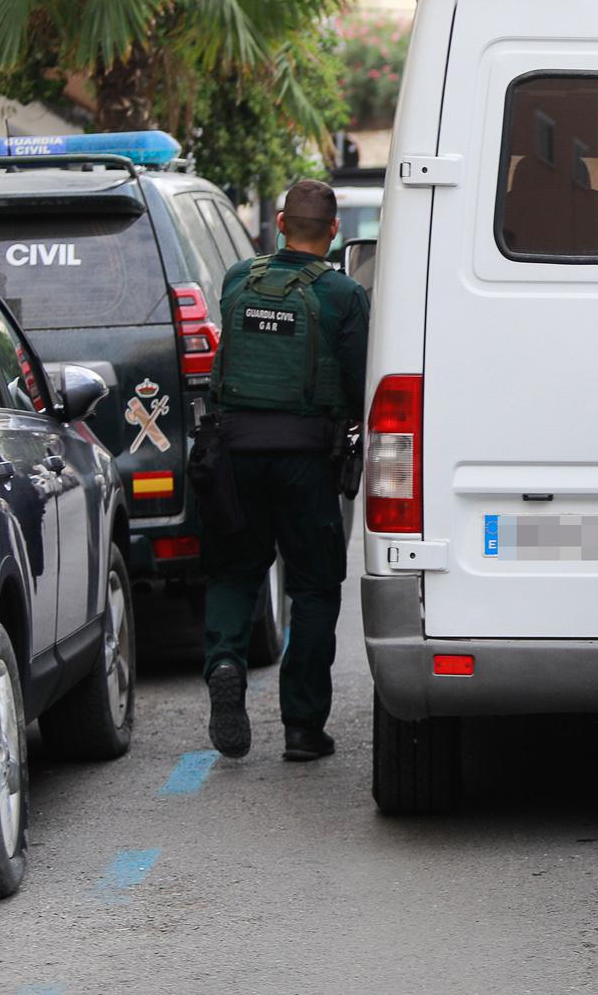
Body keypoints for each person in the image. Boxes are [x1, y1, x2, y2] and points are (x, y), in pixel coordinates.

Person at [202, 179, 370, 763]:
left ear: (278, 222)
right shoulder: (344, 295)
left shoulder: (236, 280)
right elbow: (357, 382)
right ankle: (302, 727)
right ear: (333, 231)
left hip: (234, 454)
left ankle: (225, 660)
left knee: (234, 571)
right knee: (315, 588)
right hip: (306, 458)